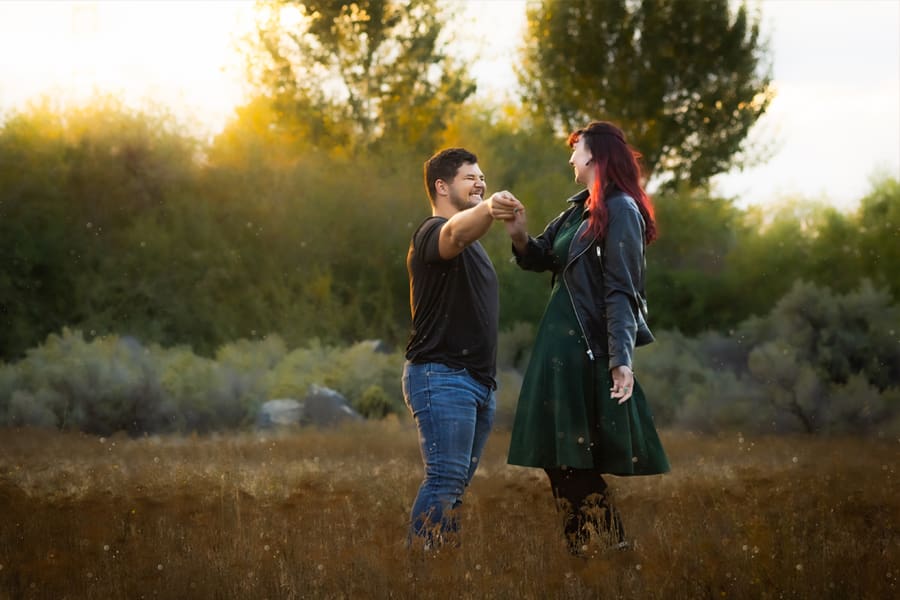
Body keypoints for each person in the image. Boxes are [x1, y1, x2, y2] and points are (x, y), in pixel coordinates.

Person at [503, 121, 670, 557]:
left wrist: (621, 358)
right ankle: (585, 554)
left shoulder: (622, 211)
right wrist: (519, 233)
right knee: (557, 457)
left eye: (576, 151)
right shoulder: (579, 210)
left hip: (584, 349)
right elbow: (540, 256)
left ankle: (612, 549)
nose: (570, 159)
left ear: (595, 156)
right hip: (555, 348)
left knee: (570, 458)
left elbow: (621, 291)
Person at [403, 147, 520, 549]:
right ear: (442, 185)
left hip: (477, 384)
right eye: (471, 177)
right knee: (445, 480)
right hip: (442, 376)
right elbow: (456, 231)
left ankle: (442, 575)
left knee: (454, 489)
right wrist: (489, 207)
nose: (481, 182)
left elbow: (468, 232)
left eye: (483, 177)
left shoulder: (475, 245)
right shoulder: (432, 232)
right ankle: (416, 573)